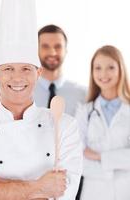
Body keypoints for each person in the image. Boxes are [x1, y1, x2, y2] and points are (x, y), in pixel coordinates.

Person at [0, 0, 82, 199]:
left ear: (38, 73)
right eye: (8, 69)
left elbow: (62, 194)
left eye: (26, 69)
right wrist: (40, 186)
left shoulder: (65, 126)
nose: (17, 78)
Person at [75, 45, 130, 200]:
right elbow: (78, 159)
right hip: (93, 193)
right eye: (97, 68)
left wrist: (99, 156)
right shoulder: (85, 112)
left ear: (121, 69)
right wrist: (116, 166)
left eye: (110, 67)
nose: (103, 74)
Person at [34, 24, 86, 116]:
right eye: (45, 46)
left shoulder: (83, 94)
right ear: (36, 50)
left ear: (65, 50)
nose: (52, 52)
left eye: (58, 46)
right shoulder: (24, 93)